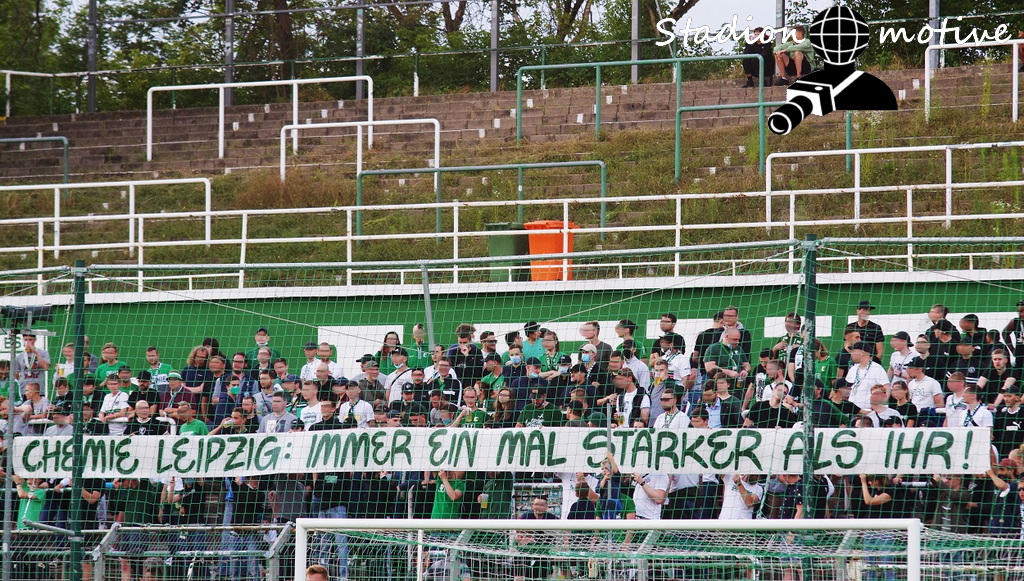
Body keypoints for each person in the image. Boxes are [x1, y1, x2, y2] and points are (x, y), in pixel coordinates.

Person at [845, 341, 890, 410]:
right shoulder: (853, 369)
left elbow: (887, 389)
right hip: (852, 411)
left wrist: (877, 408)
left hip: (870, 412)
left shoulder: (877, 368)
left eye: (853, 351)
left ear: (862, 352)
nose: (851, 354)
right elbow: (846, 389)